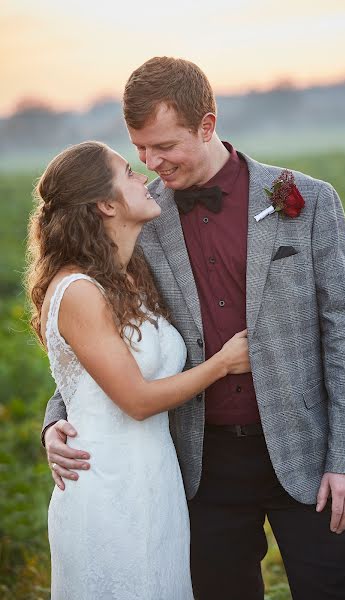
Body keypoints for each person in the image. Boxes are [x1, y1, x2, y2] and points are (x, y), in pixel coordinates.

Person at [42, 58, 345, 600]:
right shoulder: (142, 220)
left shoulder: (309, 202)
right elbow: (106, 335)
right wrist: (58, 419)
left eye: (164, 146)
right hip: (199, 468)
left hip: (309, 454)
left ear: (207, 125)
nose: (150, 163)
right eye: (140, 149)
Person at [27, 140, 250, 599]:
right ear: (106, 204)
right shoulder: (79, 291)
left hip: (155, 481)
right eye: (128, 172)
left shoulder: (130, 274)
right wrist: (222, 364)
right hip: (107, 487)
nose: (145, 177)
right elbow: (136, 400)